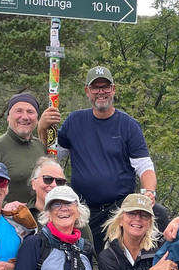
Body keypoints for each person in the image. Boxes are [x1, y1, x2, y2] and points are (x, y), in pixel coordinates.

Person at [56, 66, 168, 242]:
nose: (101, 92)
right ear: (87, 91)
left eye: (106, 87)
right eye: (95, 88)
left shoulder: (129, 125)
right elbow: (53, 156)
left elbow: (144, 165)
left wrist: (149, 192)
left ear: (113, 89)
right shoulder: (74, 121)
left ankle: (152, 265)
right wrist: (42, 129)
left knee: (159, 213)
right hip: (84, 209)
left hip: (119, 207)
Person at [0, 92, 62, 206]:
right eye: (18, 111)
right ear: (8, 117)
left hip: (40, 218)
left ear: (37, 119)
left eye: (30, 112)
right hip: (9, 219)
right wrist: (3, 206)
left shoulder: (40, 146)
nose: (24, 117)